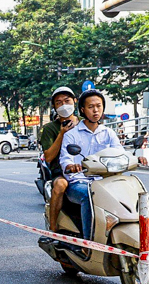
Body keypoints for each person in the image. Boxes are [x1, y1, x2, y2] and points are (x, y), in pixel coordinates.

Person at [58, 90, 139, 255]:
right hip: (79, 182)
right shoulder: (71, 135)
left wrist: (136, 158)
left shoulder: (108, 133)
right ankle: (88, 245)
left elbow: (120, 152)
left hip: (106, 182)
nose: (95, 110)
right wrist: (71, 166)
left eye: (98, 106)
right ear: (82, 110)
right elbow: (65, 159)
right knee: (90, 196)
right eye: (91, 107)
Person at [38, 86, 79, 232]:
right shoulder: (50, 129)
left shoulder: (84, 124)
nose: (63, 105)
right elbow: (48, 157)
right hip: (61, 171)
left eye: (67, 101)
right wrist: (62, 134)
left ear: (75, 101)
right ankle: (54, 228)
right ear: (54, 107)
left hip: (87, 170)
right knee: (61, 185)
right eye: (58, 103)